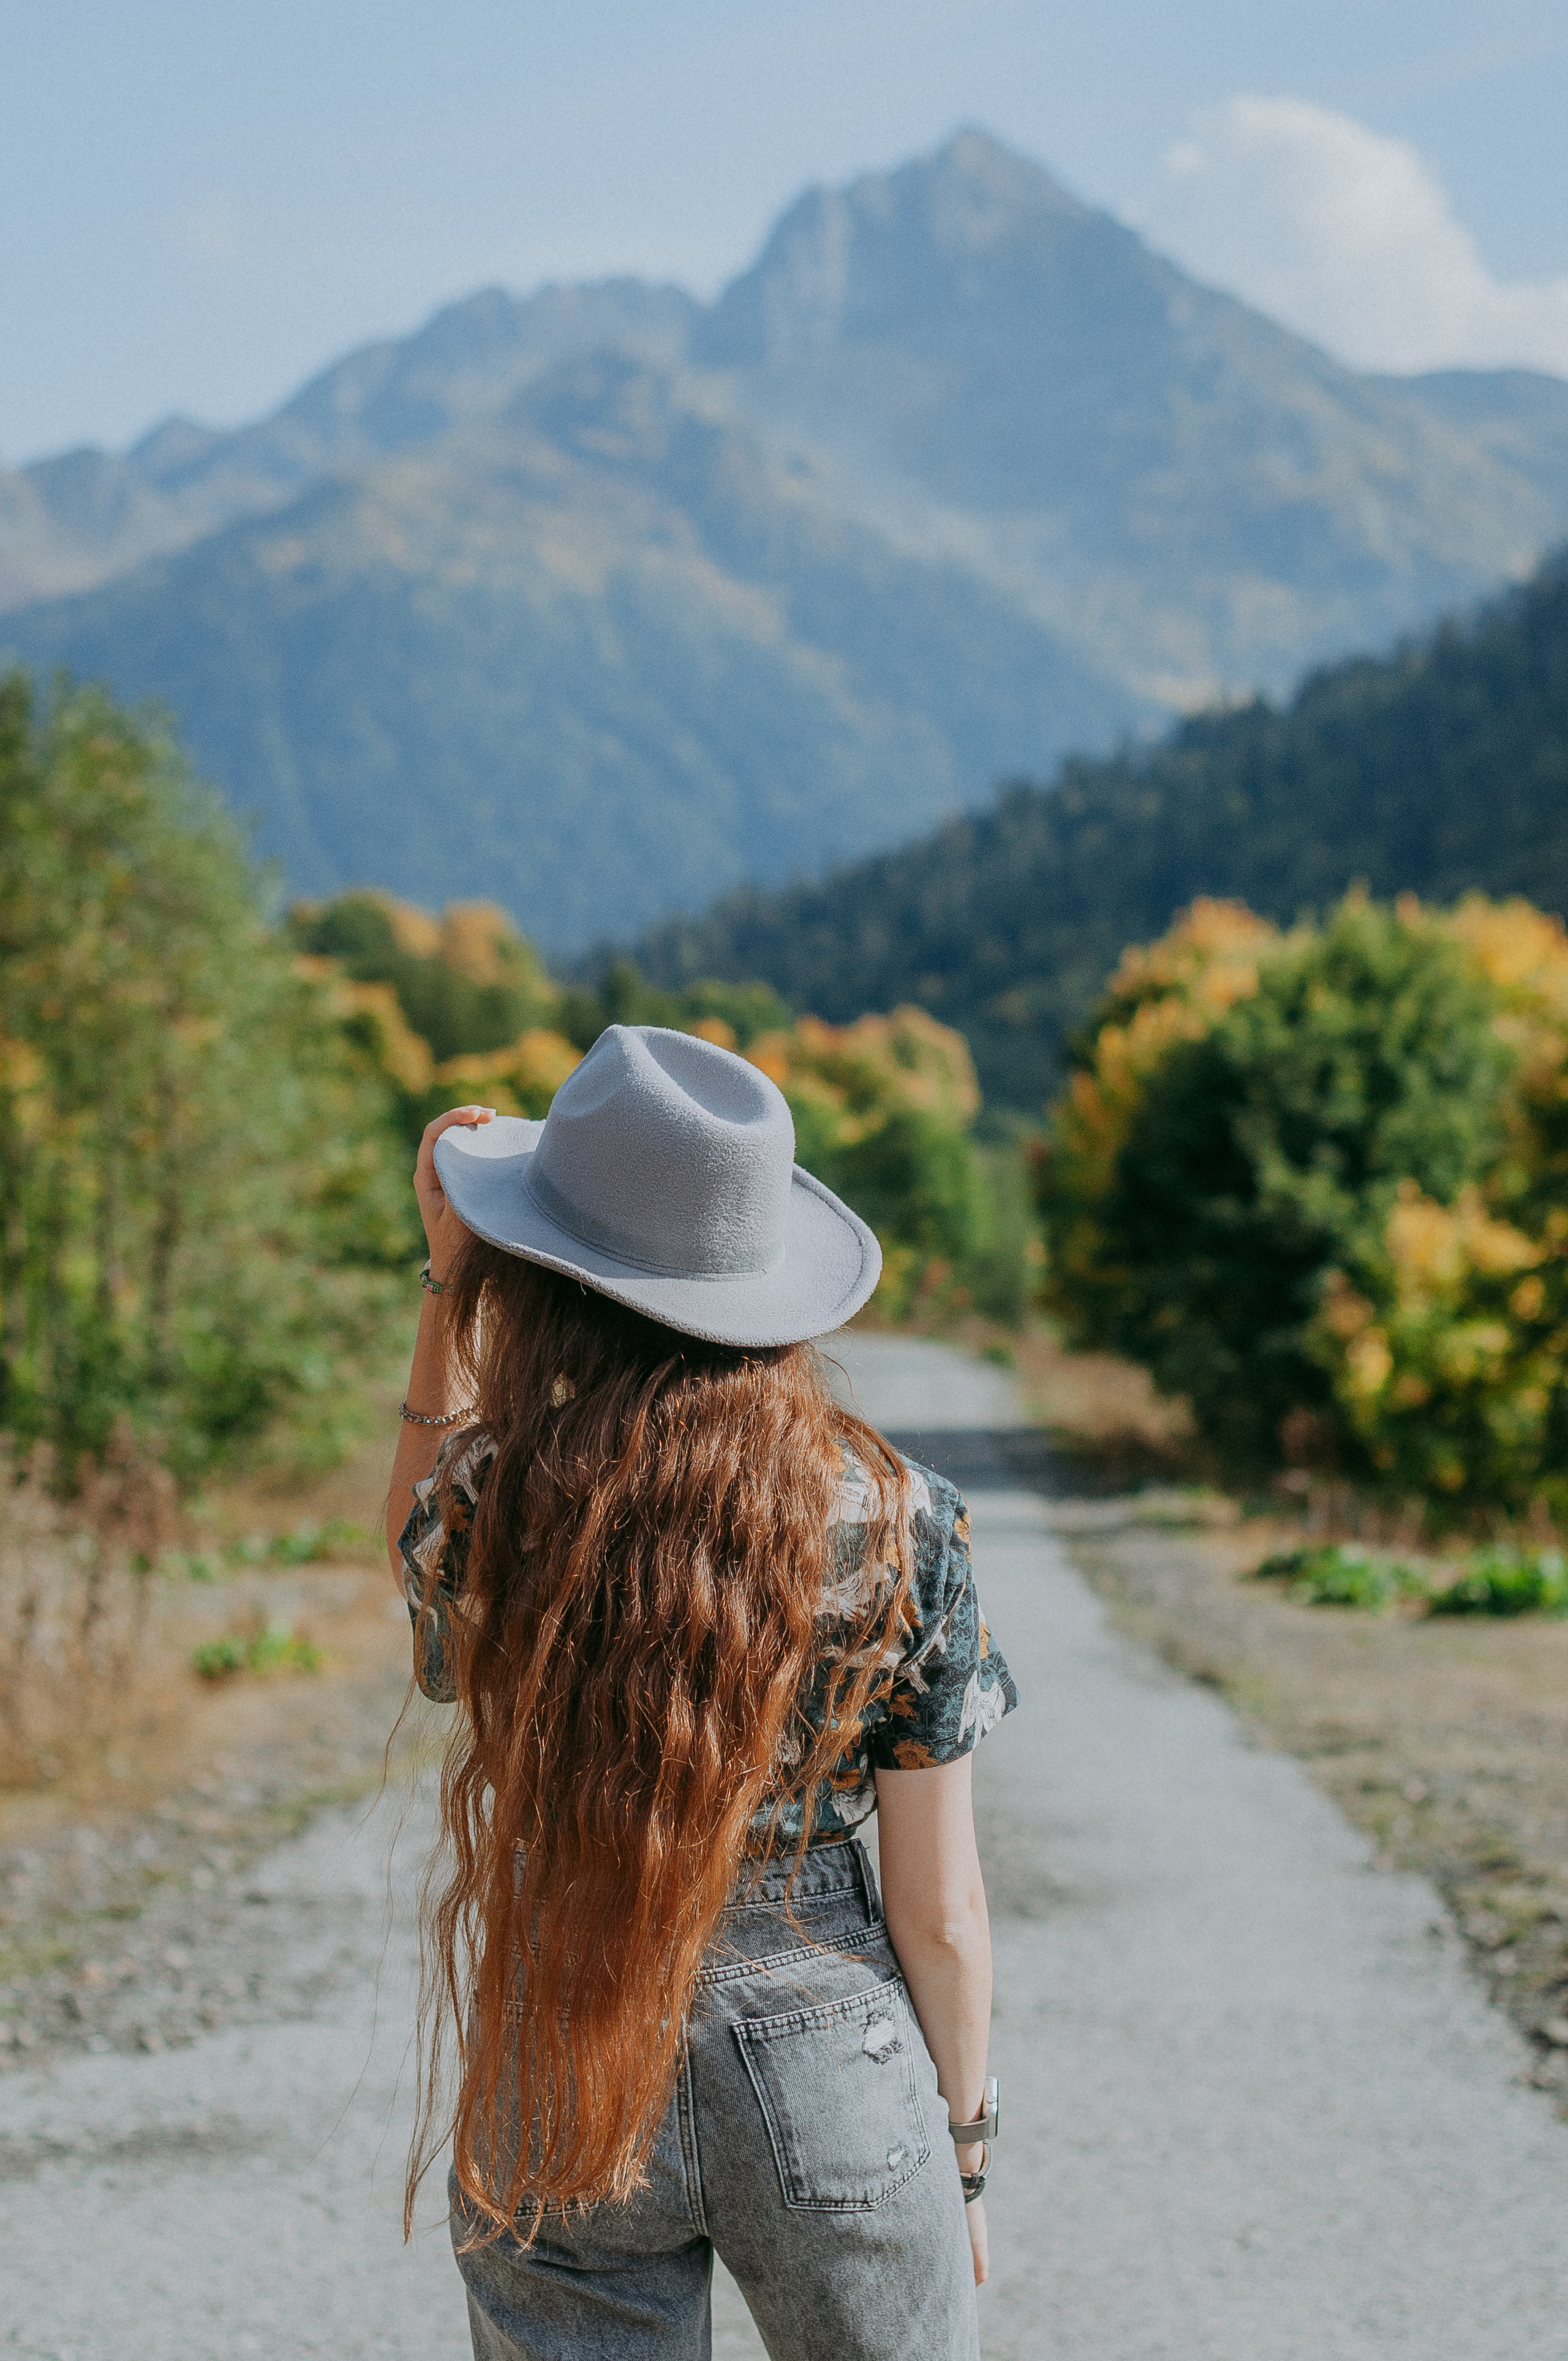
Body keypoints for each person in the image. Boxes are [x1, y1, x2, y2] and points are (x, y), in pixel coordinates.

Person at [384, 1024, 1017, 2360]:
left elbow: (418, 1581)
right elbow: (942, 1910)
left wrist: (446, 1289)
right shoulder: (904, 1516)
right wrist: (958, 2152)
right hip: (824, 2036)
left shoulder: (502, 1493)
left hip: (560, 2040)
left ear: (551, 1278)